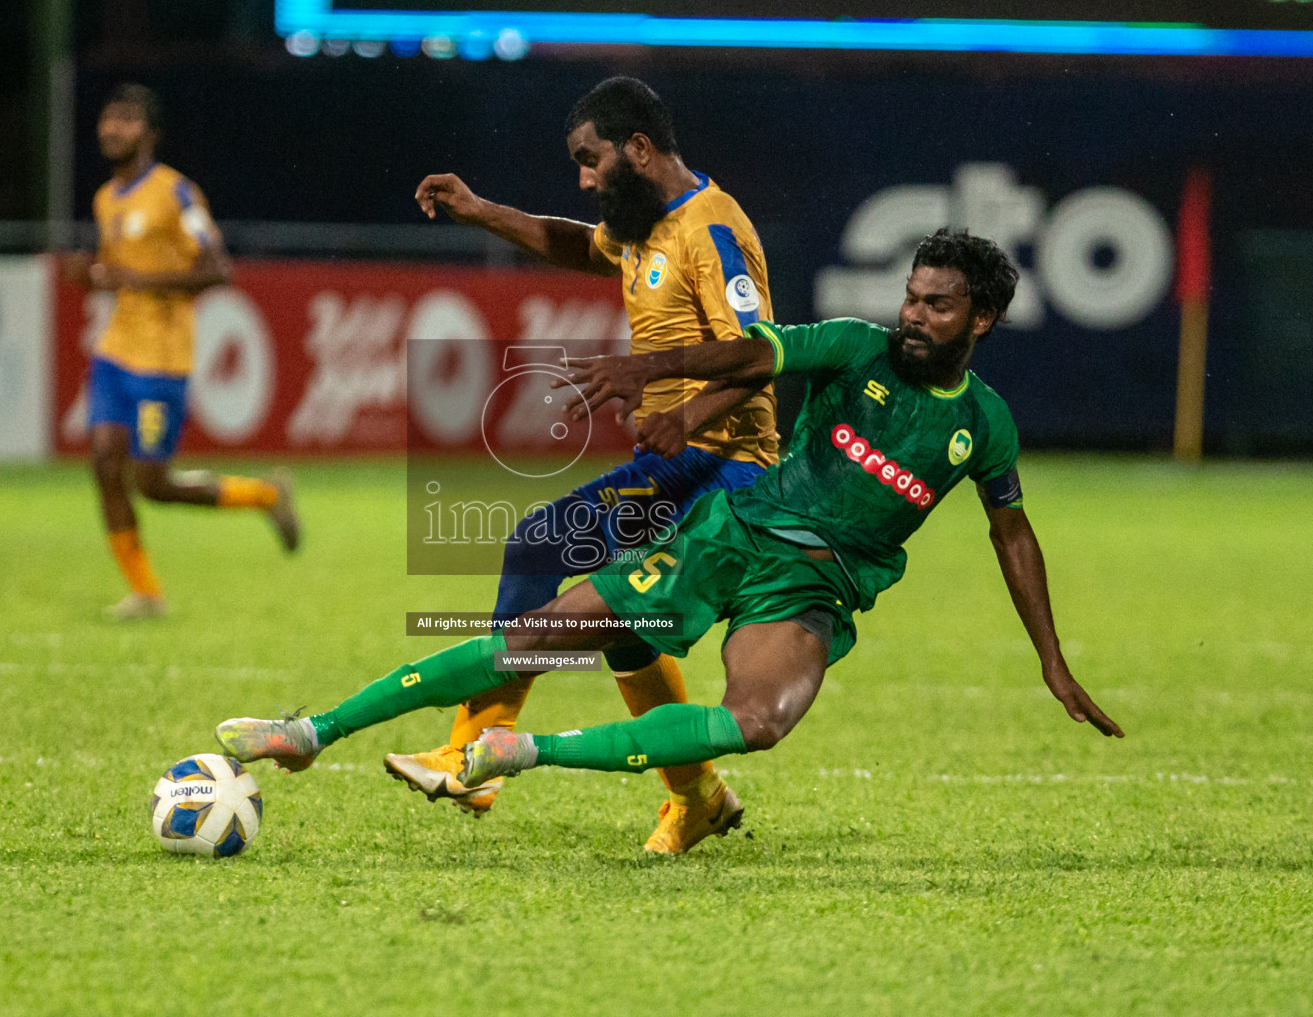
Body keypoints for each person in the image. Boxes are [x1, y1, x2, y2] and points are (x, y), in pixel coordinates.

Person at [213, 230, 1124, 848]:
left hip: (812, 591)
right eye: (913, 297)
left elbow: (1013, 533)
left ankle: (524, 753)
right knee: (539, 637)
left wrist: (1053, 660)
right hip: (731, 536)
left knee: (760, 722)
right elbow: (748, 355)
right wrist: (653, 373)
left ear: (982, 321)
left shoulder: (985, 423)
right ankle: (309, 731)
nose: (914, 315)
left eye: (937, 306)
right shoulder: (855, 348)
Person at [392, 76, 780, 853]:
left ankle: (477, 750)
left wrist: (686, 414)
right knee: (620, 621)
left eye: (590, 159)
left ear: (638, 149)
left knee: (545, 546)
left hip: (730, 467)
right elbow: (578, 243)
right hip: (682, 457)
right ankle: (698, 793)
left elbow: (761, 352)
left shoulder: (712, 231)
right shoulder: (644, 225)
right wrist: (482, 210)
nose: (584, 178)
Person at [64, 83, 300, 621]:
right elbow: (118, 277)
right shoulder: (106, 199)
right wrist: (93, 278)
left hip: (162, 361)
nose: (110, 128)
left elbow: (218, 269)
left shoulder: (177, 194)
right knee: (104, 462)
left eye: (124, 120)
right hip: (115, 352)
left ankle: (264, 494)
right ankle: (145, 593)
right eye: (106, 118)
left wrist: (138, 279)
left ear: (149, 133)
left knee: (153, 484)